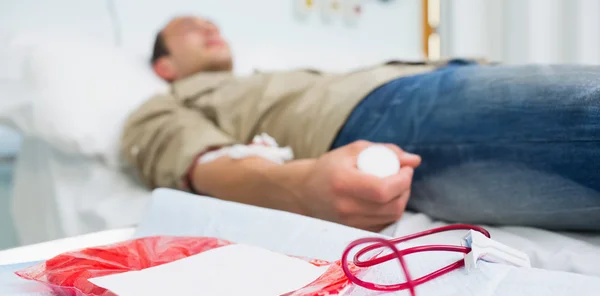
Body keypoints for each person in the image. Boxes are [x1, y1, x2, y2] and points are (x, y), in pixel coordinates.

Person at [122, 16, 600, 232]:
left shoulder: (267, 78)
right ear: (164, 66)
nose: (210, 28)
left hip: (444, 77)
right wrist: (297, 187)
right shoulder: (161, 105)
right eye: (190, 28)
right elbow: (198, 161)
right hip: (379, 114)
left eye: (214, 24)